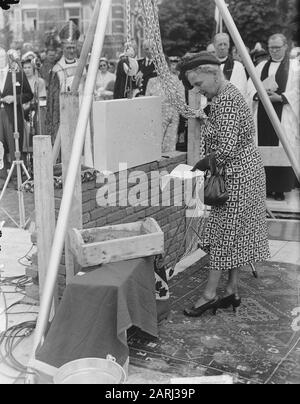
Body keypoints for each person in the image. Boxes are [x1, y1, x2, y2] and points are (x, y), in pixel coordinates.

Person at [177, 52, 270, 317]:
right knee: (235, 234)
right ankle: (231, 290)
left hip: (236, 176)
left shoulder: (226, 100)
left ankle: (208, 295)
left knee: (222, 235)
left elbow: (227, 149)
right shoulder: (223, 95)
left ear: (213, 73)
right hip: (246, 173)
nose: (197, 89)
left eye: (199, 84)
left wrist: (201, 164)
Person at [247, 33, 300, 201]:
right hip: (263, 114)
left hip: (283, 114)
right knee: (261, 149)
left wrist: (282, 97)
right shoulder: (261, 66)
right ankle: (265, 188)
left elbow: (298, 90)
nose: (274, 51)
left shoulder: (294, 66)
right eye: (271, 48)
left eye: (278, 47)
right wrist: (258, 94)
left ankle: (280, 189)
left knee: (281, 148)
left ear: (286, 47)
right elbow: (249, 88)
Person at [0, 47, 33, 184]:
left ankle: (17, 178)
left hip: (12, 114)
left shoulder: (17, 72)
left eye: (1, 57)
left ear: (6, 57)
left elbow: (29, 95)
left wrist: (14, 98)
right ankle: (2, 178)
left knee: (15, 146)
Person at [45, 21, 81, 143]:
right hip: (63, 116)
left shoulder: (83, 67)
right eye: (68, 48)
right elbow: (53, 104)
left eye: (73, 47)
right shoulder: (56, 70)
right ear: (63, 48)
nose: (71, 51)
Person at [146, 56, 185, 153]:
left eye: (163, 64)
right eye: (158, 65)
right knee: (153, 149)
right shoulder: (152, 82)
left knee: (168, 150)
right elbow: (146, 103)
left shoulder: (176, 80)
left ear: (167, 65)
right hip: (154, 120)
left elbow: (182, 102)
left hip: (171, 119)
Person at [214, 33, 248, 99]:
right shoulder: (209, 65)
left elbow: (242, 89)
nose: (222, 47)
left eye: (225, 44)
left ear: (229, 45)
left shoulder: (238, 66)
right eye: (220, 44)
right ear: (214, 45)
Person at [22, 58, 47, 148]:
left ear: (33, 68)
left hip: (35, 112)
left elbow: (42, 100)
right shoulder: (20, 82)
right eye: (25, 68)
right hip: (22, 112)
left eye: (29, 67)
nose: (27, 70)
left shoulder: (39, 81)